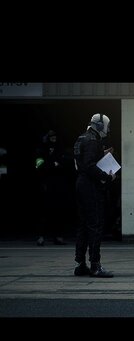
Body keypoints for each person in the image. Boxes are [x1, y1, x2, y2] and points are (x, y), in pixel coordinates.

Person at [72, 113, 116, 278]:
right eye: (106, 125)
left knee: (83, 225)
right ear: (99, 125)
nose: (108, 129)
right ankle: (95, 266)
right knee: (95, 225)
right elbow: (90, 165)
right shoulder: (92, 141)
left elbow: (83, 161)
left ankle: (80, 264)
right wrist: (107, 176)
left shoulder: (81, 138)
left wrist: (101, 153)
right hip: (90, 186)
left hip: (81, 184)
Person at [34, 130, 71, 246]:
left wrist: (54, 164)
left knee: (59, 212)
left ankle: (58, 237)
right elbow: (39, 165)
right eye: (51, 136)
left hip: (59, 185)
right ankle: (41, 236)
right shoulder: (41, 150)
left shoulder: (60, 149)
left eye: (55, 136)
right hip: (46, 185)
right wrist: (53, 164)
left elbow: (66, 163)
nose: (54, 138)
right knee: (44, 211)